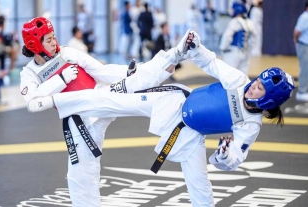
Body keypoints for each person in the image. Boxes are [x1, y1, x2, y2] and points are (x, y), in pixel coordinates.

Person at [27, 30, 295, 207]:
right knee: (111, 99)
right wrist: (196, 47)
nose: (253, 85)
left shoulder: (250, 125)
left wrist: (224, 155)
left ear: (268, 101)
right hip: (173, 100)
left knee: (202, 190)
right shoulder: (238, 81)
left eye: (259, 88)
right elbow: (212, 63)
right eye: (257, 81)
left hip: (190, 133)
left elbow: (235, 159)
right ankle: (57, 101)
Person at [20, 16, 182, 207]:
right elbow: (32, 102)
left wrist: (126, 73)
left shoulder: (67, 53)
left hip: (98, 99)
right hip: (76, 121)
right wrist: (60, 80)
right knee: (80, 176)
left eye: (54, 37)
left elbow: (100, 71)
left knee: (131, 87)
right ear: (34, 45)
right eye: (48, 40)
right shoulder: (29, 73)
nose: (54, 42)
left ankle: (170, 60)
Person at [220, 2, 256, 75]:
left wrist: (223, 47)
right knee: (243, 75)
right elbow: (254, 37)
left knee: (229, 74)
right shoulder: (249, 22)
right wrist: (250, 47)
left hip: (233, 51)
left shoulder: (234, 22)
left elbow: (227, 36)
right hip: (245, 52)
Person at [293, 1, 308, 102]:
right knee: (305, 69)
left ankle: (305, 89)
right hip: (304, 45)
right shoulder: (305, 17)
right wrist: (297, 42)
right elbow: (297, 32)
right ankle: (301, 92)